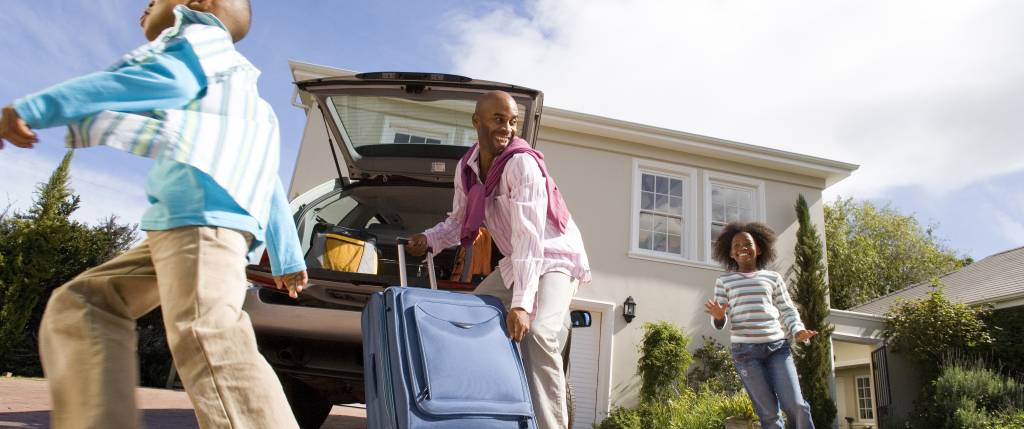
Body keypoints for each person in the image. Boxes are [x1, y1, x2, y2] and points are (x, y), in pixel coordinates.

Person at [0, 1, 307, 428]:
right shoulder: (250, 102)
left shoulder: (197, 43)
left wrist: (31, 109)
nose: (145, 6)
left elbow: (137, 81)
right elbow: (267, 182)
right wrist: (288, 258)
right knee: (82, 304)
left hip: (200, 227)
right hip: (191, 232)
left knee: (207, 333)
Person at [405, 90, 591, 429]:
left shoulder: (523, 163)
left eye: (512, 121)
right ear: (477, 121)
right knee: (469, 322)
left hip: (556, 258)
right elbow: (458, 222)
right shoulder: (467, 168)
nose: (507, 128)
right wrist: (428, 239)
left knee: (537, 333)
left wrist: (521, 305)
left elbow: (529, 238)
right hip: (519, 259)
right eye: (498, 119)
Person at [703, 220, 817, 429]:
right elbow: (720, 319)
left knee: (797, 405)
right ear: (730, 254)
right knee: (769, 415)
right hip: (745, 353)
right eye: (736, 246)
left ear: (759, 249)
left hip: (777, 348)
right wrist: (719, 316)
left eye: (747, 244)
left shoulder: (772, 278)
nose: (742, 249)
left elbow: (788, 309)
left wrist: (798, 329)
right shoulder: (725, 281)